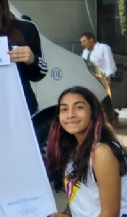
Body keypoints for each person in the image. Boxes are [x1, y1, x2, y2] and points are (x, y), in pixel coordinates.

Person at [46, 86, 127, 217]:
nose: (71, 114)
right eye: (64, 109)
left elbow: (110, 214)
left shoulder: (102, 152)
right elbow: (80, 194)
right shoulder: (73, 148)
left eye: (79, 107)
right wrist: (67, 214)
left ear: (93, 112)